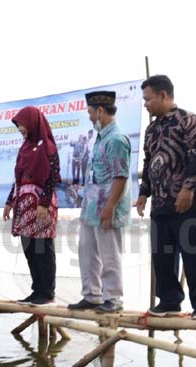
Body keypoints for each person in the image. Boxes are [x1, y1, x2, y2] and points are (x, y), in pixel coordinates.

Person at [135, 75, 196, 320]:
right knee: (162, 256)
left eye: (148, 99)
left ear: (163, 95)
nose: (145, 104)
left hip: (187, 201)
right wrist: (143, 193)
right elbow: (149, 163)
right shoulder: (152, 129)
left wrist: (187, 189)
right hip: (160, 203)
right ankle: (169, 301)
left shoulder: (189, 121)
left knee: (195, 255)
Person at [68, 91, 131, 313]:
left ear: (100, 112)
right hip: (92, 207)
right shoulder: (101, 136)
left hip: (106, 207)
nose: (89, 116)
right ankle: (92, 295)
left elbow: (120, 176)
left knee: (109, 254)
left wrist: (110, 206)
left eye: (90, 112)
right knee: (86, 250)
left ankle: (113, 298)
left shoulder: (116, 139)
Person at [3, 106, 60, 305]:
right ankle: (36, 291)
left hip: (41, 203)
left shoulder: (48, 147)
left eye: (22, 125)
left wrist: (43, 203)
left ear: (32, 122)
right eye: (18, 126)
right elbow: (18, 177)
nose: (20, 129)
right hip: (23, 203)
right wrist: (9, 202)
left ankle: (47, 292)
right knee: (29, 248)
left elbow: (53, 177)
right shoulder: (25, 147)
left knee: (42, 248)